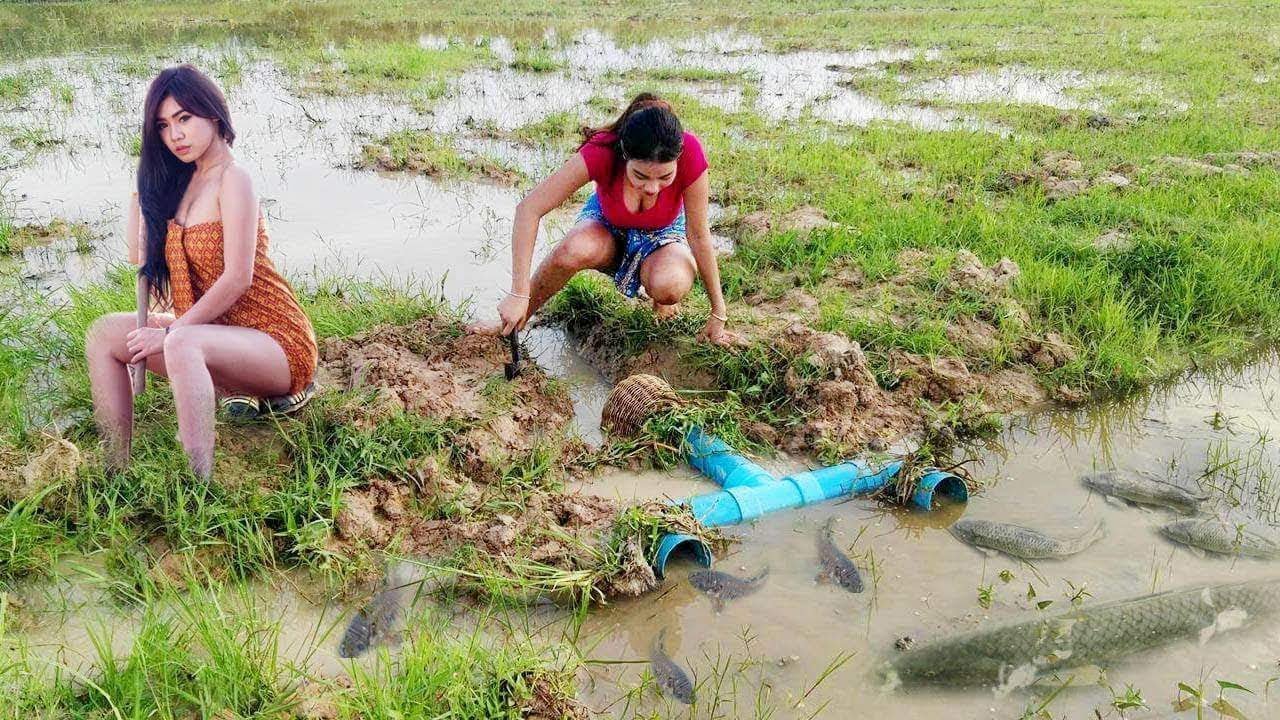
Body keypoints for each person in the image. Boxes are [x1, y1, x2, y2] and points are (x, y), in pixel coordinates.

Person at [85, 64, 317, 480]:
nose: (175, 135)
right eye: (163, 125)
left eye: (184, 118)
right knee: (104, 333)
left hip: (276, 345)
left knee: (181, 341)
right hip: (212, 339)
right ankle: (114, 472)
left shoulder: (234, 180)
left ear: (212, 114)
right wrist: (143, 187)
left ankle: (199, 485)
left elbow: (237, 278)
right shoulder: (181, 184)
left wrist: (172, 332)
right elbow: (136, 256)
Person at [475, 93, 733, 345]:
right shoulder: (602, 150)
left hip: (663, 233)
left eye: (665, 177)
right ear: (624, 155)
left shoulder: (691, 153)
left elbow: (698, 235)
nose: (653, 188)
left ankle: (662, 299)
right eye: (640, 176)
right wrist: (519, 293)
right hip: (608, 224)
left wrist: (718, 312)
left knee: (670, 285)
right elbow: (528, 209)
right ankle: (513, 323)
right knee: (572, 250)